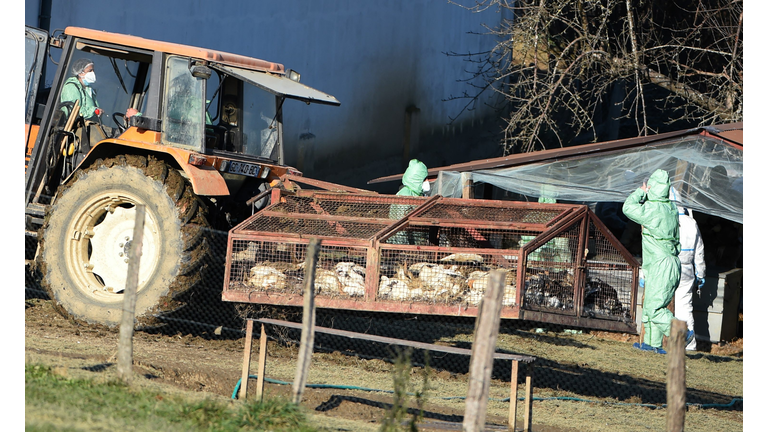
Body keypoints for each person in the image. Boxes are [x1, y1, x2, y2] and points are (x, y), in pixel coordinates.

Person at [622, 169, 692, 354]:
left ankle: (680, 334)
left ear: (651, 187)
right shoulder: (670, 209)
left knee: (655, 308)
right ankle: (651, 345)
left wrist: (640, 191)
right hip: (666, 263)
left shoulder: (651, 209)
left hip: (661, 264)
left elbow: (627, 207)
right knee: (650, 305)